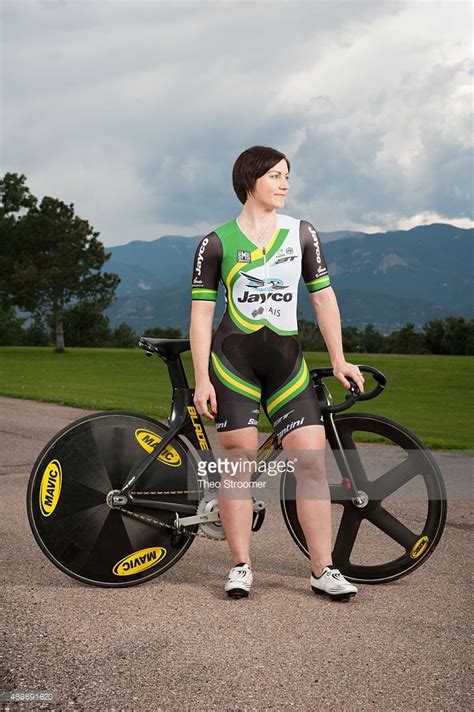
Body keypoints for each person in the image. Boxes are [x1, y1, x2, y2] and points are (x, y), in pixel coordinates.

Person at [189, 145, 365, 601]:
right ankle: (241, 565)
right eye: (276, 176)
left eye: (288, 176)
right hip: (233, 365)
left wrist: (340, 358)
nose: (285, 183)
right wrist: (203, 378)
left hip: (287, 362)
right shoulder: (217, 241)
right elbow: (202, 315)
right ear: (250, 181)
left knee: (310, 458)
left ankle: (323, 568)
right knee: (238, 464)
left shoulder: (302, 233)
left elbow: (323, 299)